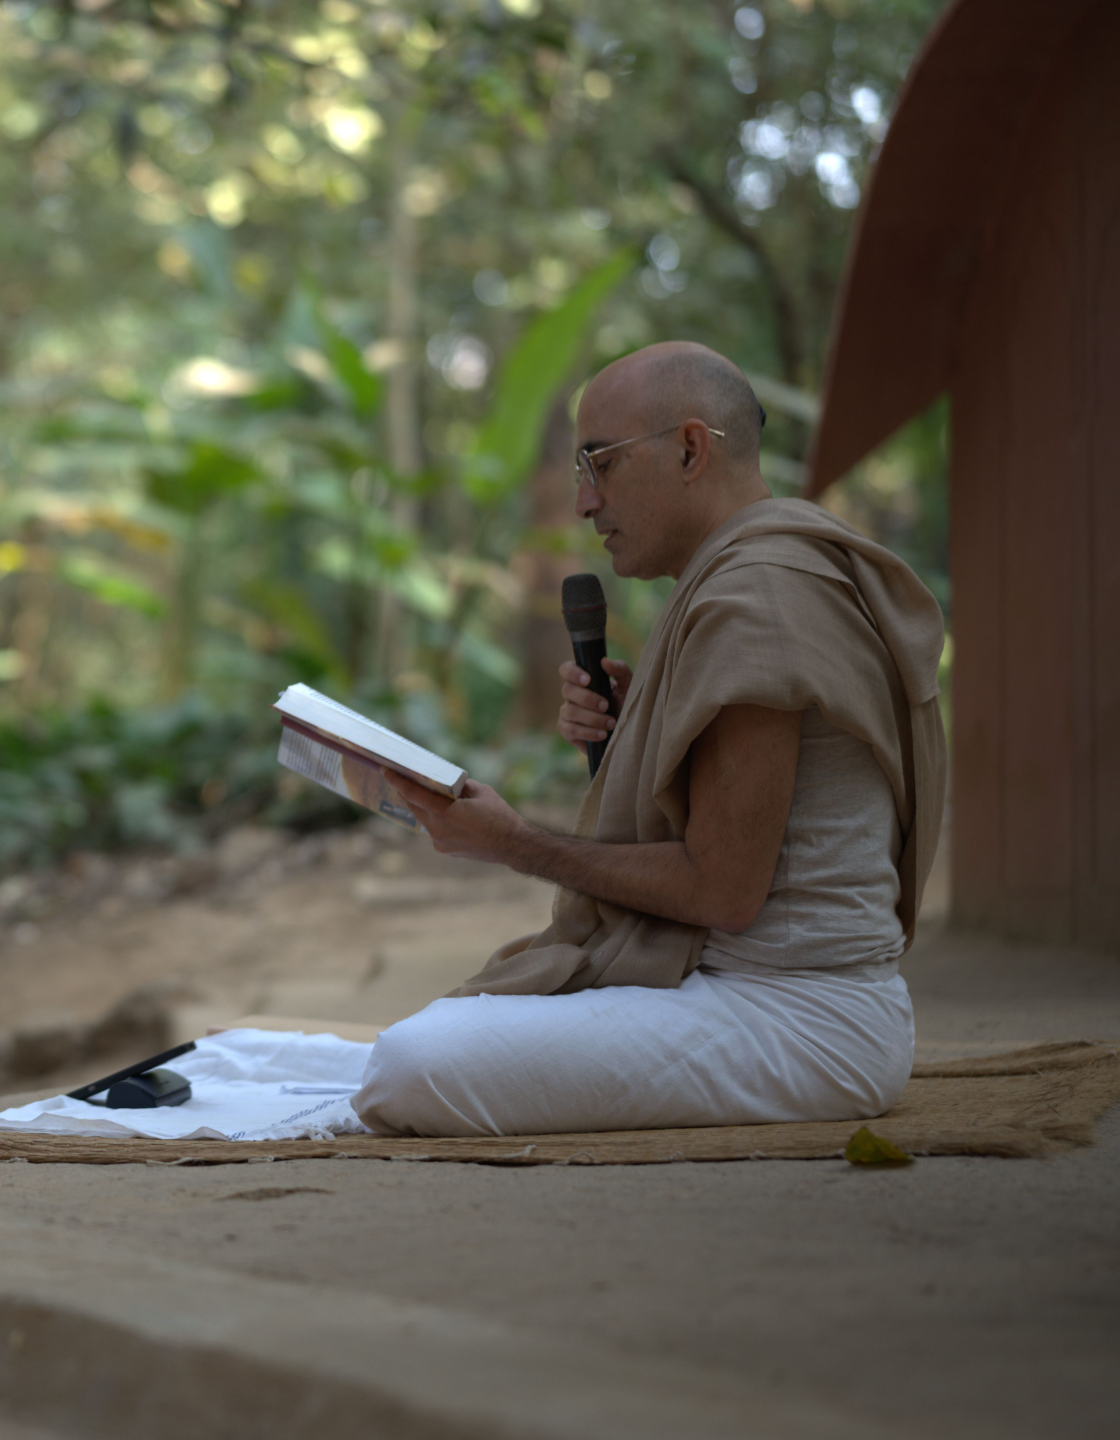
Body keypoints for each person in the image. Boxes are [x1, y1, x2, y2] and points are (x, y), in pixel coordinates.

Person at [355, 341, 946, 1138]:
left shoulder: (758, 595)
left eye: (597, 463)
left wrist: (513, 842)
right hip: (754, 998)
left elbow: (722, 890)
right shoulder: (756, 576)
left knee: (407, 1064)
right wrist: (648, 727)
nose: (583, 503)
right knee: (417, 1043)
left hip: (801, 1018)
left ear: (691, 449)